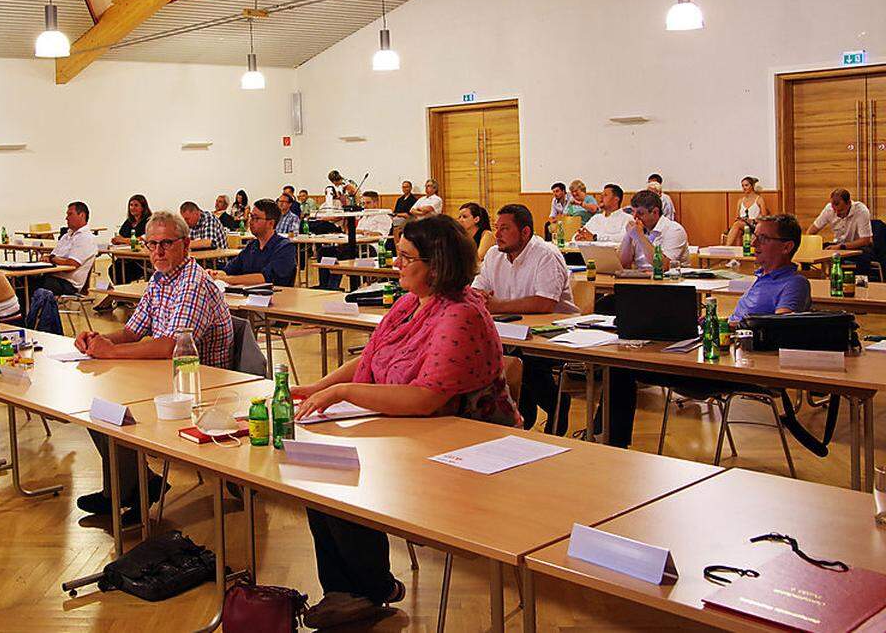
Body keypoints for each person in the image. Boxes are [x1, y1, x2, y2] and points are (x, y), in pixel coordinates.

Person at [292, 215, 519, 629]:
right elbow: (373, 358)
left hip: (465, 446)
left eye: (405, 257)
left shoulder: (459, 314)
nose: (395, 264)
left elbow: (425, 397)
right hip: (415, 430)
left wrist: (343, 393)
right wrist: (317, 387)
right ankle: (351, 590)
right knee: (318, 465)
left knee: (342, 470)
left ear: (437, 265)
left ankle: (368, 587)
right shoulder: (410, 302)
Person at [74, 211, 233, 524]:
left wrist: (110, 353)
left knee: (118, 406)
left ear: (186, 245)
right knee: (96, 403)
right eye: (151, 245)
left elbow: (172, 347)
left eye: (166, 244)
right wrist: (98, 340)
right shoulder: (160, 279)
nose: (158, 252)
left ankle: (135, 489)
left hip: (200, 386)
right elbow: (133, 331)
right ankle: (129, 487)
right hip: (164, 376)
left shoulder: (193, 283)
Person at [603, 215, 811, 449]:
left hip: (737, 366)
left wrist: (729, 327)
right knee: (620, 363)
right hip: (720, 352)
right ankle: (607, 442)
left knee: (623, 369)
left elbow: (779, 327)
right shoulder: (762, 278)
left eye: (763, 238)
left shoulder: (795, 283)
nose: (754, 245)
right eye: (755, 237)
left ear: (786, 246)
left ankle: (612, 446)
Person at [472, 204, 579, 434]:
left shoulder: (546, 254)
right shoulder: (493, 255)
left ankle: (554, 405)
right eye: (496, 228)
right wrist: (482, 298)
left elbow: (544, 303)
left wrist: (498, 305)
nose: (497, 234)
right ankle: (517, 416)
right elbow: (477, 291)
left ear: (525, 233)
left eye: (505, 229)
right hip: (512, 330)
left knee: (523, 359)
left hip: (556, 332)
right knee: (485, 353)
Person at [208, 199, 296, 286]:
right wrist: (215, 274)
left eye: (256, 218)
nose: (251, 221)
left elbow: (265, 278)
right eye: (251, 217)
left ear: (271, 223)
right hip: (248, 297)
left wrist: (226, 279)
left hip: (277, 297)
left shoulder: (285, 247)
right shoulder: (252, 246)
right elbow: (230, 269)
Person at [33, 201, 97, 295]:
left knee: (31, 284)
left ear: (82, 215)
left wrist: (52, 259)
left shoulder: (86, 238)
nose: (66, 218)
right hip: (54, 276)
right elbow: (53, 256)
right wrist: (48, 258)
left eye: (70, 214)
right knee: (22, 280)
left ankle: (28, 309)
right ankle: (25, 309)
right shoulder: (66, 236)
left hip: (68, 283)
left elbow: (72, 264)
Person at [619, 190, 689, 270]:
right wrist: (629, 236)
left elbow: (663, 266)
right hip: (641, 278)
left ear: (655, 212)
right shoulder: (636, 229)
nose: (635, 217)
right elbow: (622, 264)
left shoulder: (675, 230)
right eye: (633, 212)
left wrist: (640, 236)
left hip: (669, 279)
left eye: (640, 213)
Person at [807, 188, 873, 254]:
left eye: (841, 210)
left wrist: (841, 247)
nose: (837, 214)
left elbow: (865, 240)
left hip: (858, 247)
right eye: (834, 210)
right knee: (821, 250)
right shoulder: (829, 209)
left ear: (849, 203)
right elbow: (810, 232)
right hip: (838, 245)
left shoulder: (861, 210)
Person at [725, 177, 769, 246]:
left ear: (752, 186)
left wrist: (751, 220)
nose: (744, 188)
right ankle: (739, 255)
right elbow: (737, 217)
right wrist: (741, 219)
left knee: (737, 225)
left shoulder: (759, 199)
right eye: (742, 186)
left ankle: (726, 247)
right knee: (738, 230)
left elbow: (764, 217)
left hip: (754, 224)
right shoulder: (740, 201)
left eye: (746, 185)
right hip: (742, 224)